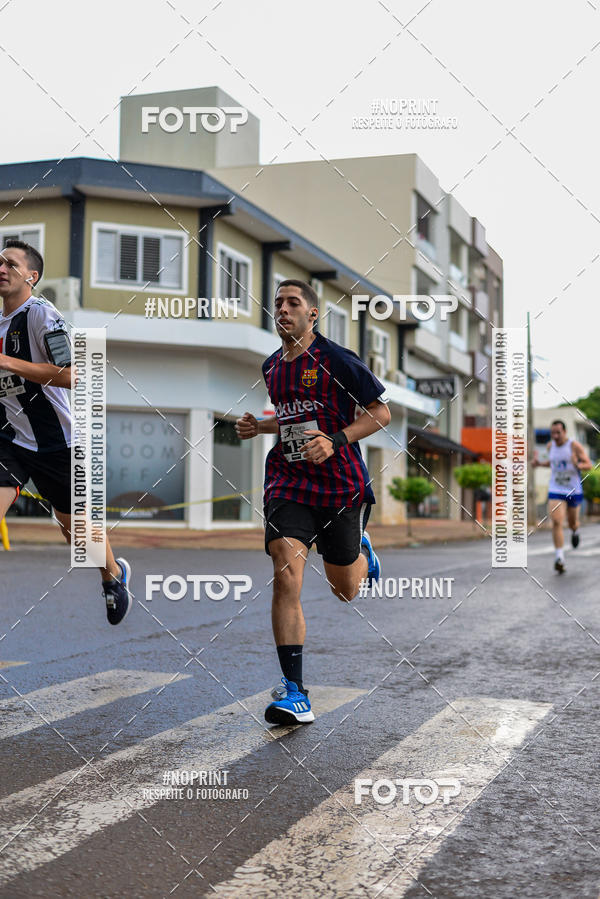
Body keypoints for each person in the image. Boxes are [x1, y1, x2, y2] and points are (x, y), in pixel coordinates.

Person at [236, 279, 391, 725]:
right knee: (286, 573)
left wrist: (337, 440)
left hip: (340, 487)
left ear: (313, 314)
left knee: (345, 590)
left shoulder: (337, 360)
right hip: (288, 482)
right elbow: (295, 419)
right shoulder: (271, 367)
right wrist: (260, 429)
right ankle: (295, 691)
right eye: (278, 303)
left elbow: (381, 413)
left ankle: (361, 551)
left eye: (293, 303)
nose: (283, 309)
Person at [0, 240, 132, 623]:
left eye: (10, 263)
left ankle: (114, 576)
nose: (2, 268)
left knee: (78, 538)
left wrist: (10, 361)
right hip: (9, 442)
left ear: (32, 276)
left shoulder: (42, 314)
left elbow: (78, 375)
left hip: (58, 443)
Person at [534, 419, 591, 573]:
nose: (556, 436)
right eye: (553, 433)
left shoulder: (574, 446)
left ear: (565, 432)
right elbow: (552, 463)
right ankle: (559, 557)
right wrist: (539, 463)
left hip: (573, 490)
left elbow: (588, 464)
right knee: (557, 521)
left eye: (558, 432)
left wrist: (577, 464)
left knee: (572, 522)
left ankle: (575, 530)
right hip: (556, 488)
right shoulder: (550, 446)